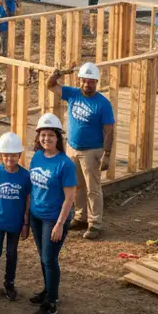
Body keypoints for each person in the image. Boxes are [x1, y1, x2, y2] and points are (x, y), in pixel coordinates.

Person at [46, 62, 113, 240]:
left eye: (91, 82)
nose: (87, 85)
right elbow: (50, 86)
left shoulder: (102, 104)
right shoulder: (73, 94)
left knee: (93, 188)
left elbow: (108, 131)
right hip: (73, 148)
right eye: (84, 81)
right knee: (77, 185)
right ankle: (80, 217)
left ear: (96, 82)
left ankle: (95, 223)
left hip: (92, 151)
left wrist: (107, 154)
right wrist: (56, 74)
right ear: (80, 80)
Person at [27, 113, 77, 314]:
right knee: (44, 257)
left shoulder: (65, 164)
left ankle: (52, 302)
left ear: (58, 137)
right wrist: (27, 216)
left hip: (53, 219)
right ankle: (48, 290)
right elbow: (32, 188)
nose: (46, 139)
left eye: (50, 135)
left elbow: (69, 198)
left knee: (49, 259)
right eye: (43, 135)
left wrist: (59, 224)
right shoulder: (37, 157)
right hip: (37, 216)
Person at [0, 132, 31, 301]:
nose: (9, 158)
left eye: (13, 155)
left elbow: (27, 201)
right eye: (6, 155)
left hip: (15, 223)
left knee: (11, 253)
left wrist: (26, 224)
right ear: (1, 155)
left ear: (19, 155)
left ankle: (9, 283)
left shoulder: (25, 176)